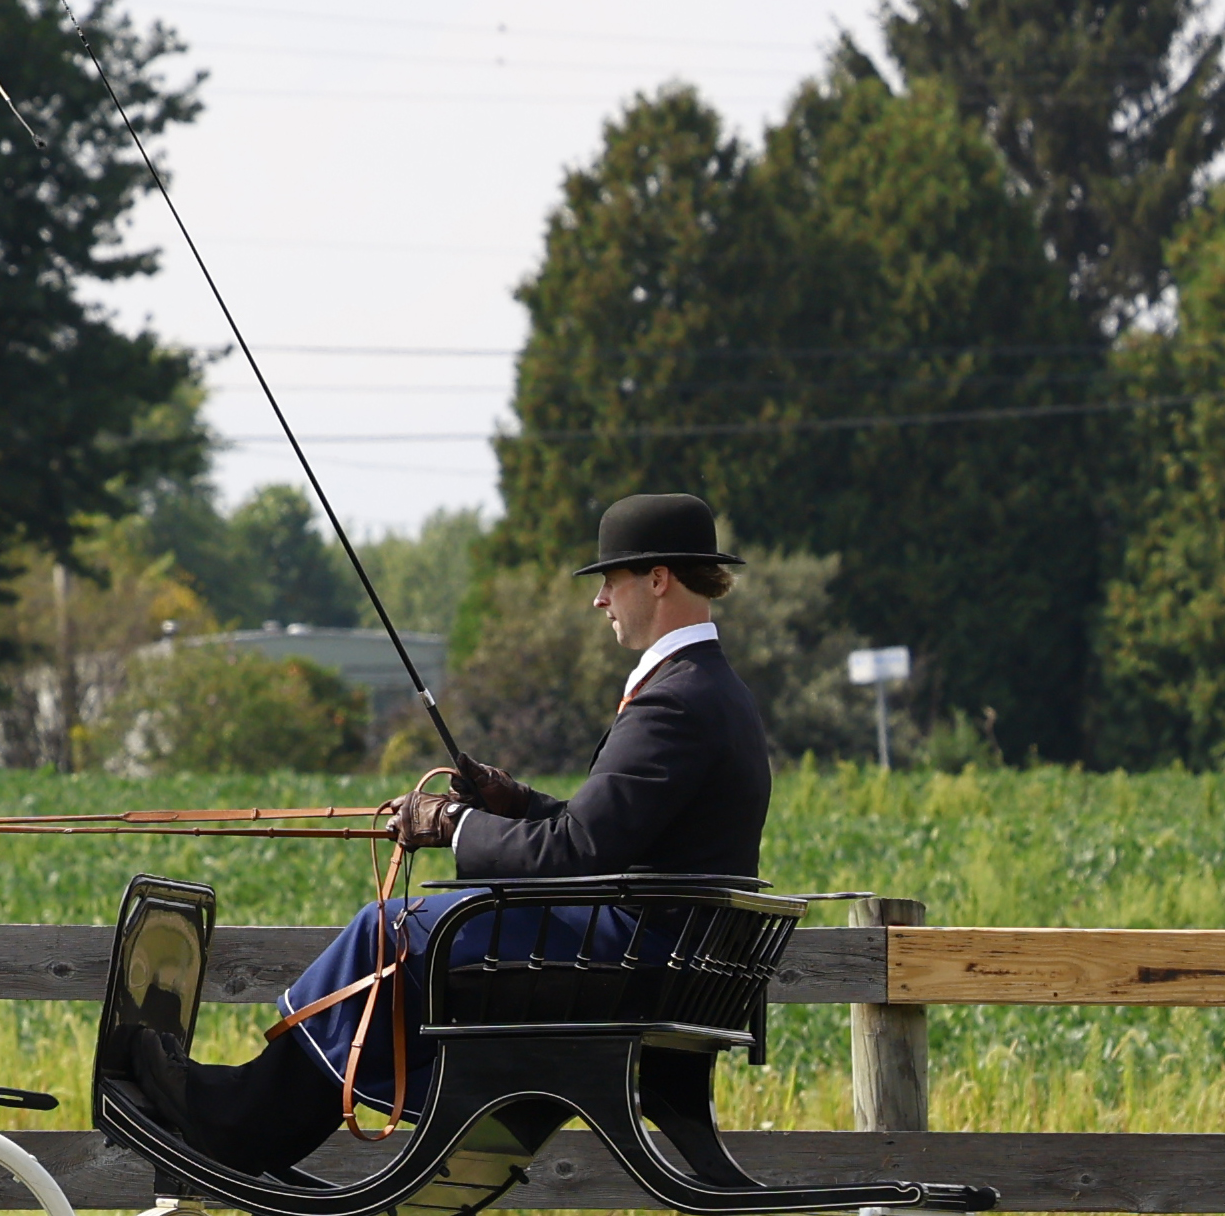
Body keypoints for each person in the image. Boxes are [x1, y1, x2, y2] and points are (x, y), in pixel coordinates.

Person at [130, 491, 769, 1169]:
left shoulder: (671, 700)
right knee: (404, 931)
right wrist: (514, 803)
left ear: (657, 579)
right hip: (659, 947)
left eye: (609, 579)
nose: (599, 599)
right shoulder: (711, 689)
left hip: (631, 952)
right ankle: (268, 1108)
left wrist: (455, 823)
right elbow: (611, 833)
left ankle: (243, 1119)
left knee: (390, 930)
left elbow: (579, 851)